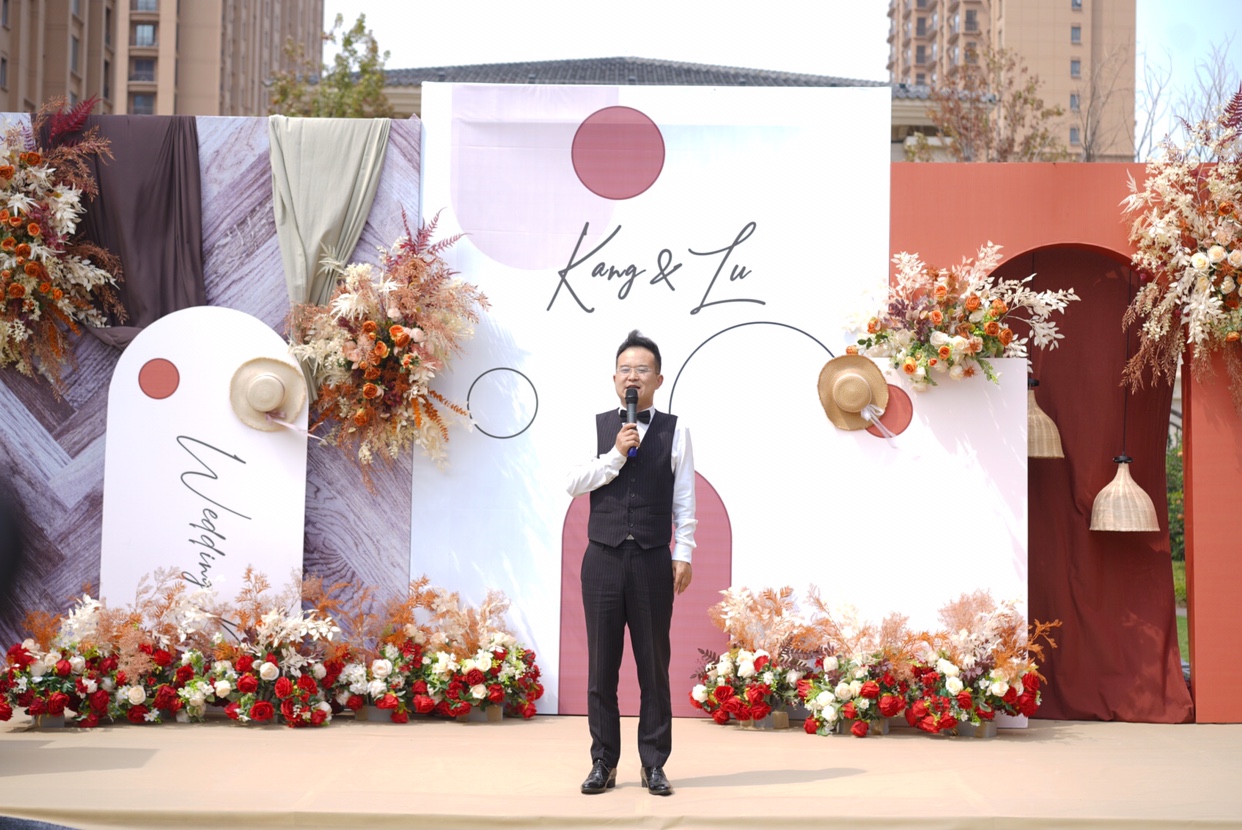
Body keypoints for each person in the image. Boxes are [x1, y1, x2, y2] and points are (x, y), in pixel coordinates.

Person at [566, 330, 697, 797]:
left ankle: (654, 764)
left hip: (651, 559)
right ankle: (603, 762)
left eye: (642, 370)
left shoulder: (676, 430)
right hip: (601, 558)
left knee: (653, 668)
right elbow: (573, 482)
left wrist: (683, 553)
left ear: (658, 379)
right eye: (625, 369)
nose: (632, 377)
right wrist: (615, 455)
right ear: (614, 379)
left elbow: (684, 499)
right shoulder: (596, 426)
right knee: (601, 667)